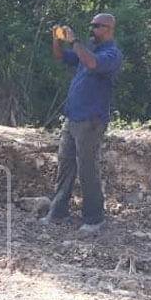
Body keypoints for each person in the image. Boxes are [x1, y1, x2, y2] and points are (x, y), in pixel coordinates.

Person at [42, 14, 123, 236]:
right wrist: (57, 39)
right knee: (65, 164)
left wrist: (75, 41)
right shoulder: (87, 49)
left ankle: (94, 219)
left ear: (108, 29)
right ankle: (57, 212)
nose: (92, 29)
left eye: (96, 26)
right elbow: (60, 57)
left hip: (91, 120)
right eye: (91, 25)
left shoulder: (111, 54)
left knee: (88, 168)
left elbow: (92, 63)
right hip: (73, 117)